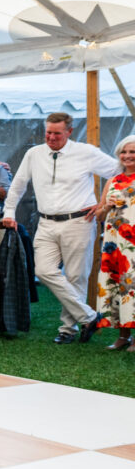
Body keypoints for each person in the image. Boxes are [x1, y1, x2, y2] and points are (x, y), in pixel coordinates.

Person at [3, 112, 118, 343]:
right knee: (43, 271)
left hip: (80, 221)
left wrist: (103, 203)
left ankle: (68, 329)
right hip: (45, 222)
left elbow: (118, 172)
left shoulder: (85, 152)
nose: (51, 137)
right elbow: (17, 185)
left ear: (69, 132)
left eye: (57, 133)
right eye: (48, 132)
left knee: (76, 276)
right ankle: (89, 317)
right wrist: (9, 211)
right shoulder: (34, 153)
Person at [95, 135, 135, 349]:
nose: (128, 156)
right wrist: (107, 206)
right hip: (114, 242)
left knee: (133, 286)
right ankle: (123, 336)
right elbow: (99, 216)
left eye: (133, 152)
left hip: (133, 241)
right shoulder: (113, 181)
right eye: (124, 152)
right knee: (118, 285)